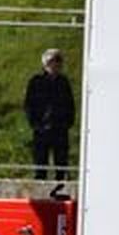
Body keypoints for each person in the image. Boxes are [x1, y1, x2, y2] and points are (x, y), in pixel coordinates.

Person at [24, 48, 75, 182]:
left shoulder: (63, 82)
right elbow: (29, 104)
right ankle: (41, 191)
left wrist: (68, 122)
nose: (57, 65)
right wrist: (35, 124)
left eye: (59, 61)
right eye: (54, 61)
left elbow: (70, 104)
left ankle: (61, 190)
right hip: (42, 129)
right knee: (40, 163)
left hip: (60, 129)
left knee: (61, 163)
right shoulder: (36, 81)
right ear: (46, 64)